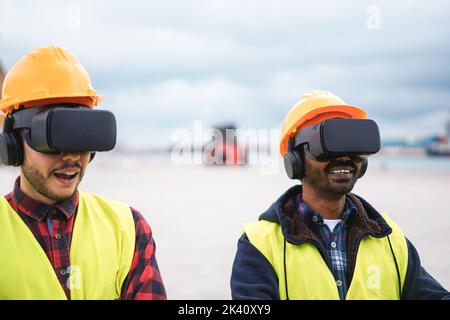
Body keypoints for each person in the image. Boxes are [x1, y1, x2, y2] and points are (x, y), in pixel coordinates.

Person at [231, 90, 450, 300]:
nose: (344, 157)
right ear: (294, 159)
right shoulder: (260, 244)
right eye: (327, 144)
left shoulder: (391, 240)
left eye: (352, 143)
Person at [0, 46, 166, 300]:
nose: (71, 157)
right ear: (13, 141)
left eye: (81, 135)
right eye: (52, 138)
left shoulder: (128, 228)